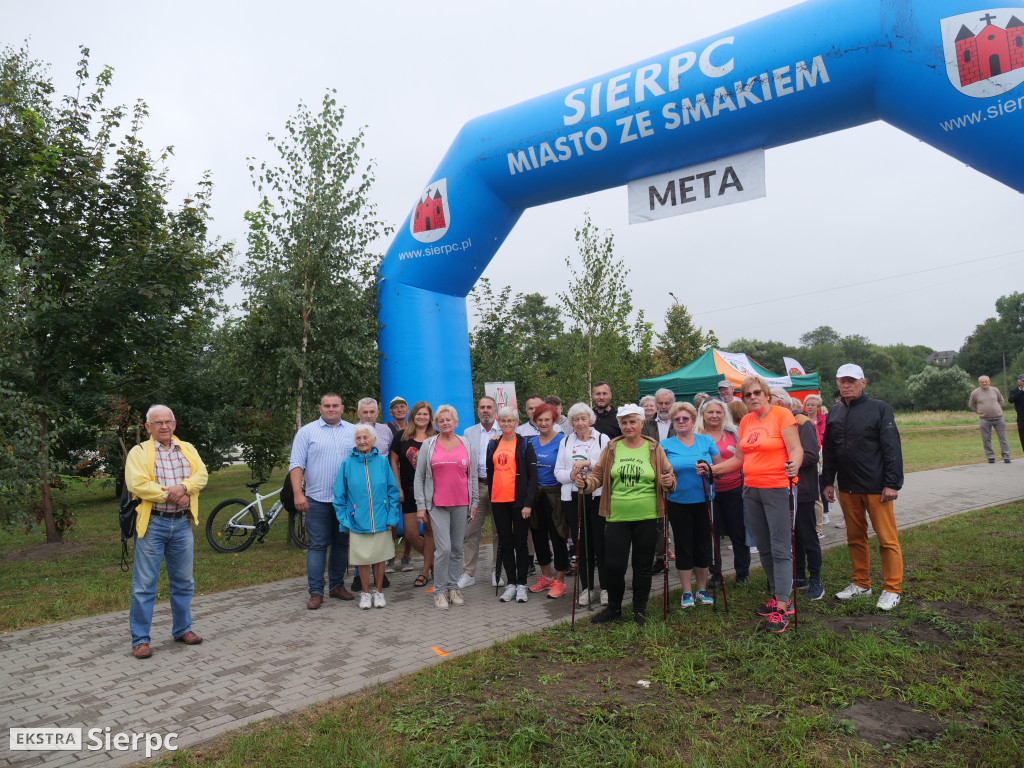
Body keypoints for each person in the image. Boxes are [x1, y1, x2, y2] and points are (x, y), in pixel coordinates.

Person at [703, 376, 802, 633]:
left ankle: (783, 604)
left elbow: (796, 449)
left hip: (778, 488)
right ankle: (779, 595)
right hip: (751, 490)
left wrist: (795, 464)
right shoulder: (746, 421)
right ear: (743, 400)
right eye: (748, 395)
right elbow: (738, 459)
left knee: (780, 547)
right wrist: (712, 470)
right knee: (765, 547)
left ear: (767, 395)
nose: (753, 397)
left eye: (758, 392)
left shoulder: (781, 415)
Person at [578, 404, 676, 626]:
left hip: (648, 516)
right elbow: (597, 477)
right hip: (616, 517)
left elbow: (668, 477)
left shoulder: (653, 448)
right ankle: (614, 609)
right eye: (624, 422)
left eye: (633, 422)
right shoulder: (612, 448)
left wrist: (669, 483)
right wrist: (585, 484)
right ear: (620, 425)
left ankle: (639, 610)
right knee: (614, 565)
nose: (628, 426)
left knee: (642, 566)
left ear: (642, 423)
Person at [125, 405, 208, 659]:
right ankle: (140, 640)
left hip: (181, 524)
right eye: (157, 422)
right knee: (144, 585)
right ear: (147, 427)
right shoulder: (139, 452)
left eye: (167, 422)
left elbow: (201, 475)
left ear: (174, 424)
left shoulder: (187, 449)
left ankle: (182, 629)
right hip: (153, 524)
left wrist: (183, 487)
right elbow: (137, 485)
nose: (164, 426)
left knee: (184, 581)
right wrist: (173, 495)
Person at [823, 363, 905, 611]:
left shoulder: (879, 408)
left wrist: (892, 483)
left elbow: (892, 447)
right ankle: (861, 584)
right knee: (855, 538)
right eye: (842, 381)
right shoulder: (834, 413)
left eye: (851, 380)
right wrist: (827, 481)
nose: (846, 385)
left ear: (863, 382)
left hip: (876, 487)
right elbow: (829, 451)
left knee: (887, 539)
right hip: (847, 487)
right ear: (837, 384)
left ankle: (892, 588)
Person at [289, 392, 355, 610]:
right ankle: (316, 591)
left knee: (341, 545)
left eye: (335, 405)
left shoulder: (354, 431)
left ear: (342, 408)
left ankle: (336, 586)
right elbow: (296, 464)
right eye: (327, 405)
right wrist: (298, 494)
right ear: (320, 408)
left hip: (345, 502)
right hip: (317, 500)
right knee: (317, 546)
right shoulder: (307, 432)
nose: (331, 409)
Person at [414, 405, 478, 610]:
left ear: (456, 422)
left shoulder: (465, 443)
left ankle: (453, 588)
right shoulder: (428, 444)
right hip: (437, 504)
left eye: (449, 420)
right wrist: (421, 506)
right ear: (436, 424)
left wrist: (474, 502)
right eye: (441, 420)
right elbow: (420, 477)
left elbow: (473, 475)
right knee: (444, 549)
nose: (445, 423)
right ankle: (439, 591)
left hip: (461, 502)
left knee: (458, 548)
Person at [334, 424, 401, 609]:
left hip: (381, 519)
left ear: (373, 440)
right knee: (363, 558)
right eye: (358, 438)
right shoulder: (347, 464)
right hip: (357, 521)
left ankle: (378, 592)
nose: (362, 441)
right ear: (355, 441)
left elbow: (393, 492)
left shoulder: (382, 462)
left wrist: (391, 517)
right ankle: (365, 593)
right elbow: (339, 496)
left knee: (379, 557)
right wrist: (345, 520)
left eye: (366, 437)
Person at [662, 402, 720, 608]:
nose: (681, 422)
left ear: (693, 421)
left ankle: (702, 589)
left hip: (704, 500)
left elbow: (719, 469)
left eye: (685, 418)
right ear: (672, 422)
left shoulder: (706, 440)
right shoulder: (666, 444)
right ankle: (687, 591)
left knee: (702, 544)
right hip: (677, 501)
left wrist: (709, 469)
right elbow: (660, 471)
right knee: (683, 545)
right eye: (677, 419)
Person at [771, 389, 825, 601]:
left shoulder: (802, 423)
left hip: (801, 491)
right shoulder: (776, 423)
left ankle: (816, 581)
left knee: (807, 535)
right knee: (793, 537)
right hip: (779, 490)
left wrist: (784, 459)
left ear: (783, 404)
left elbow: (811, 455)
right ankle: (799, 576)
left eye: (772, 403)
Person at [554, 402, 610, 606]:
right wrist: (571, 475)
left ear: (590, 420)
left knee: (601, 544)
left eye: (583, 418)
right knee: (582, 545)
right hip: (574, 497)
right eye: (576, 419)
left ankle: (605, 588)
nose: (580, 423)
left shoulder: (603, 439)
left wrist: (588, 463)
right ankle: (587, 588)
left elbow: (609, 466)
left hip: (598, 496)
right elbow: (558, 472)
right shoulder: (566, 442)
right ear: (571, 422)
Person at [696, 398, 749, 586]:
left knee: (738, 532)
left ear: (724, 414)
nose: (714, 416)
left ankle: (742, 573)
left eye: (718, 412)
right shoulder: (696, 435)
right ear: (703, 414)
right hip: (707, 493)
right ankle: (716, 573)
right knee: (713, 534)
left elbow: (742, 459)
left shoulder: (733, 434)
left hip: (734, 489)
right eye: (710, 412)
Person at [488, 406, 538, 603]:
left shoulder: (525, 444)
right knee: (505, 543)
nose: (506, 424)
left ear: (517, 423)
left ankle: (522, 584)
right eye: (503, 421)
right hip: (498, 501)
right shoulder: (493, 445)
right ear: (498, 423)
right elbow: (490, 473)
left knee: (520, 543)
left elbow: (533, 477)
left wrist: (528, 503)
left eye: (510, 421)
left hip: (519, 503)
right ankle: (511, 583)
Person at [458, 396, 505, 590]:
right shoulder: (468, 432)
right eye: (482, 407)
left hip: (499, 486)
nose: (485, 410)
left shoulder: (505, 431)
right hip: (476, 486)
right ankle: (468, 573)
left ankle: (497, 572)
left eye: (489, 407)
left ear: (495, 409)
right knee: (471, 532)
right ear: (477, 410)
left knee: (499, 531)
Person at [389, 401, 437, 588]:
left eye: (425, 414)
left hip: (432, 492)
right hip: (408, 491)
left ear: (430, 417)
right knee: (410, 533)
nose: (422, 417)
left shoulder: (436, 437)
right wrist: (398, 487)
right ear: (413, 416)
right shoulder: (402, 436)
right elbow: (393, 461)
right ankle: (434, 562)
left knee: (429, 531)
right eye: (419, 414)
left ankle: (425, 571)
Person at [527, 404, 569, 598]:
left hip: (556, 495)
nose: (543, 423)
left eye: (547, 419)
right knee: (538, 536)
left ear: (554, 421)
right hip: (536, 496)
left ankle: (560, 580)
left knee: (558, 536)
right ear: (535, 421)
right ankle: (546, 577)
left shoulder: (564, 441)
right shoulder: (531, 442)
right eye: (540, 420)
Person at [642, 388, 675, 575]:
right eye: (660, 403)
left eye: (666, 403)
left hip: (676, 474)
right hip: (654, 476)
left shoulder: (680, 420)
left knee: (678, 519)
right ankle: (660, 559)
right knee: (659, 521)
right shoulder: (647, 423)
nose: (663, 407)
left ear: (672, 403)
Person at [969, 375, 1011, 464]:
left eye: (986, 381)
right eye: (982, 382)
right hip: (984, 419)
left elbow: (1001, 400)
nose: (984, 383)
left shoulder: (995, 390)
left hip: (999, 418)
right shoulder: (975, 393)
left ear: (989, 382)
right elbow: (971, 404)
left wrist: (996, 408)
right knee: (986, 439)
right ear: (979, 383)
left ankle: (1006, 456)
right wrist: (979, 412)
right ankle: (990, 456)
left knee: (1003, 438)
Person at [804, 394, 830, 526]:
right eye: (807, 405)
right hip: (809, 452)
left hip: (821, 453)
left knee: (821, 482)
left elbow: (823, 435)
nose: (809, 407)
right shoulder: (802, 418)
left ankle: (824, 513)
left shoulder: (823, 419)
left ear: (818, 407)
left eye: (812, 405)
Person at [1009, 374, 1024, 452]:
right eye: (1023, 381)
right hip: (1021, 418)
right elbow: (1011, 400)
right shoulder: (1014, 391)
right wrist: (1021, 391)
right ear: (1019, 382)